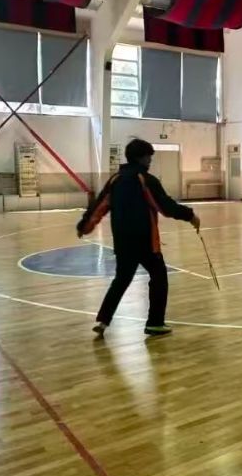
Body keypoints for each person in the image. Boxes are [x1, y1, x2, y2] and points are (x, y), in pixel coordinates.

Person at [77, 138, 200, 336]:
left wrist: (84, 226)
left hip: (123, 241)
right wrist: (190, 215)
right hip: (145, 241)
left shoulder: (115, 180)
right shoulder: (146, 180)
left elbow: (99, 206)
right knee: (159, 276)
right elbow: (165, 206)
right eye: (148, 156)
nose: (150, 160)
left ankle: (103, 321)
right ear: (141, 158)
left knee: (121, 279)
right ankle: (155, 323)